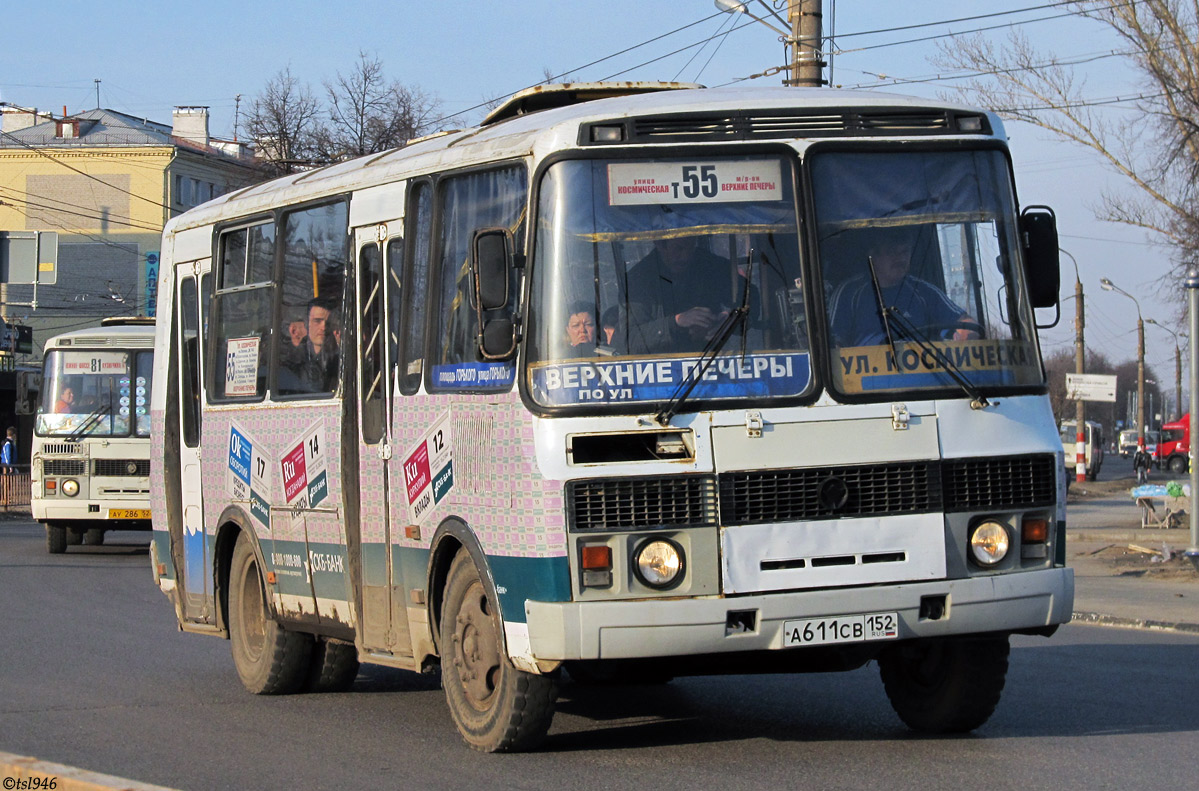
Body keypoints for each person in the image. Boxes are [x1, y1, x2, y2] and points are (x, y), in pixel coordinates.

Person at [827, 231, 978, 347]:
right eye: (892, 252)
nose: (901, 258)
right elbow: (834, 345)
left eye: (905, 252)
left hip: (928, 377)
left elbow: (965, 323)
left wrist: (968, 333)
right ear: (873, 256)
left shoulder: (925, 292)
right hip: (866, 384)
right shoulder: (849, 293)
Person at [623, 235, 735, 354]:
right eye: (679, 248)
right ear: (659, 245)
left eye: (690, 248)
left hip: (715, 362)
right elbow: (630, 341)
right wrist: (675, 322)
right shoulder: (637, 280)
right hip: (661, 366)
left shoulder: (711, 265)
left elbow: (751, 301)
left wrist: (729, 320)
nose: (686, 256)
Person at [283, 298, 340, 393]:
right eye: (317, 321)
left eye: (328, 322)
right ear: (307, 324)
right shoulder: (292, 360)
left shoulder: (341, 358)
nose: (323, 327)